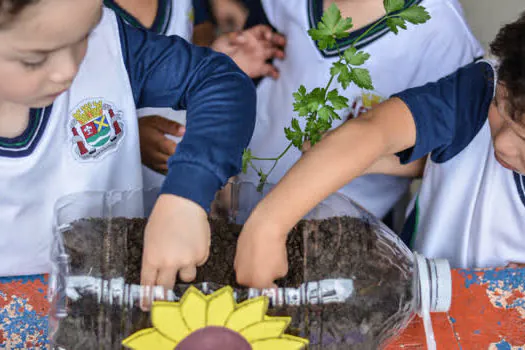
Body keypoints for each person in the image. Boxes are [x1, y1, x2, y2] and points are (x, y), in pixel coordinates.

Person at [234, 13, 525, 288]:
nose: (502, 143)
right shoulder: (481, 86)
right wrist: (268, 226)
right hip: (415, 291)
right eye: (499, 108)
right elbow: (373, 131)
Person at [0, 0, 256, 293]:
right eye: (34, 59)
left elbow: (218, 80)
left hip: (117, 305)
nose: (68, 70)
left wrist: (185, 197)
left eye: (84, 35)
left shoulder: (111, 44)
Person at [238, 0, 484, 223]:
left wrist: (362, 152)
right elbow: (250, 69)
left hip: (342, 228)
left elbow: (449, 153)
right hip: (239, 191)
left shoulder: (443, 30)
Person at [104, 0, 285, 189]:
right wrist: (129, 136)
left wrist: (214, 56)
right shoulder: (85, 15)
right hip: (115, 193)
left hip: (188, 171)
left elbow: (200, 25)